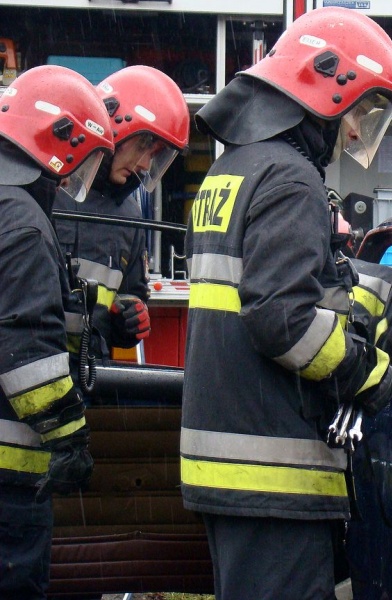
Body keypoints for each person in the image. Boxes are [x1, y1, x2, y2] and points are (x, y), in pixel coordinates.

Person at [179, 7, 392, 598]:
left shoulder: (232, 171)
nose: (357, 132)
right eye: (360, 110)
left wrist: (379, 339)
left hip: (231, 463)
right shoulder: (291, 177)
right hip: (273, 474)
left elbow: (284, 300)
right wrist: (368, 373)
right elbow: (283, 320)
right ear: (322, 85)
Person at [0, 64, 114, 598]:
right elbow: (28, 356)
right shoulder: (22, 222)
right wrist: (70, 438)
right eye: (83, 160)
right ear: (59, 143)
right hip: (7, 482)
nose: (73, 180)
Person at [53, 65, 190, 360]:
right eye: (143, 146)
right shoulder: (51, 188)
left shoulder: (130, 212)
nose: (144, 165)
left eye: (154, 156)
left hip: (90, 377)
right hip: (34, 367)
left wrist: (127, 320)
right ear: (114, 124)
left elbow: (129, 293)